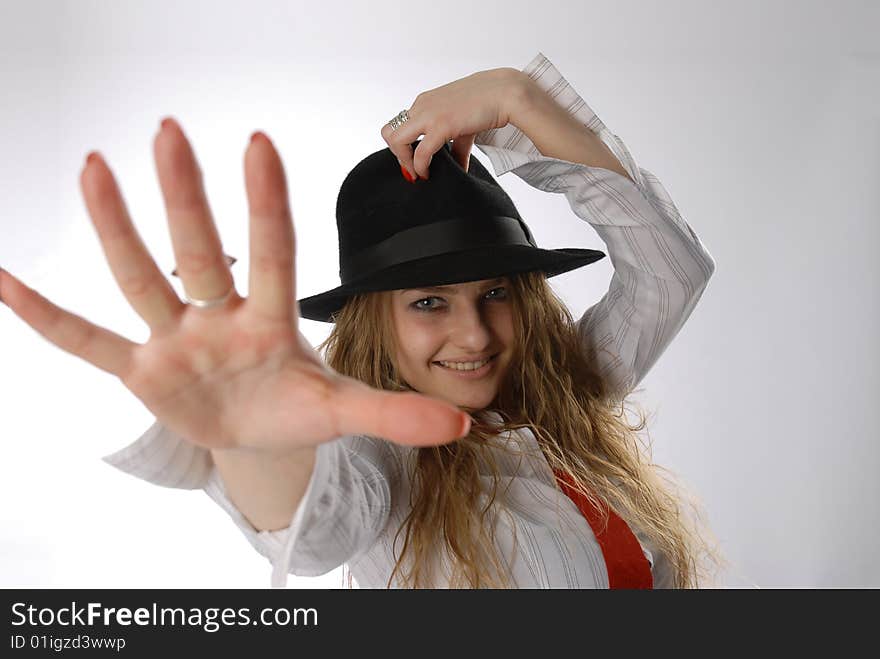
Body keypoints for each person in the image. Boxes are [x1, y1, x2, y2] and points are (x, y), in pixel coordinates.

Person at [0, 52, 725, 588]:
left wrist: (519, 99)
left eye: (495, 292)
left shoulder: (566, 390)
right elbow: (315, 533)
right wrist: (249, 441)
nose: (475, 335)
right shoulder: (380, 456)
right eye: (429, 302)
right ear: (375, 322)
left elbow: (669, 270)